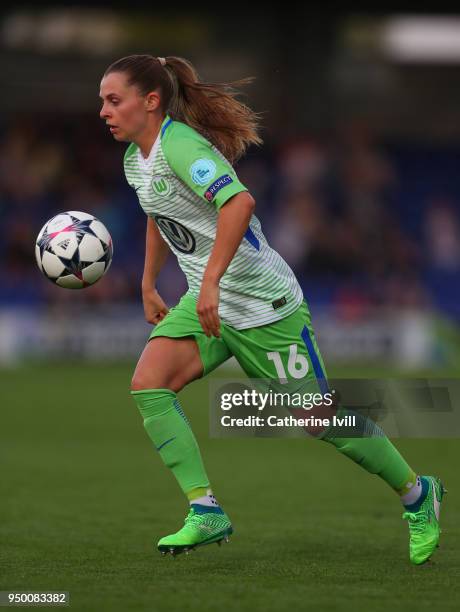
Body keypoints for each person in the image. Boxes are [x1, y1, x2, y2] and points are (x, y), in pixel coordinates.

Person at [99, 54, 445, 563]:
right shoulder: (136, 159)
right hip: (208, 303)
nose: (104, 111)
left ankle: (419, 495)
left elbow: (239, 202)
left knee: (323, 422)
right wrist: (150, 282)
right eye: (102, 101)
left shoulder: (181, 145)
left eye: (113, 100)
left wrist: (212, 280)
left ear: (150, 101)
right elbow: (159, 212)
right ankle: (205, 510)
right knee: (149, 385)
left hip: (265, 307)